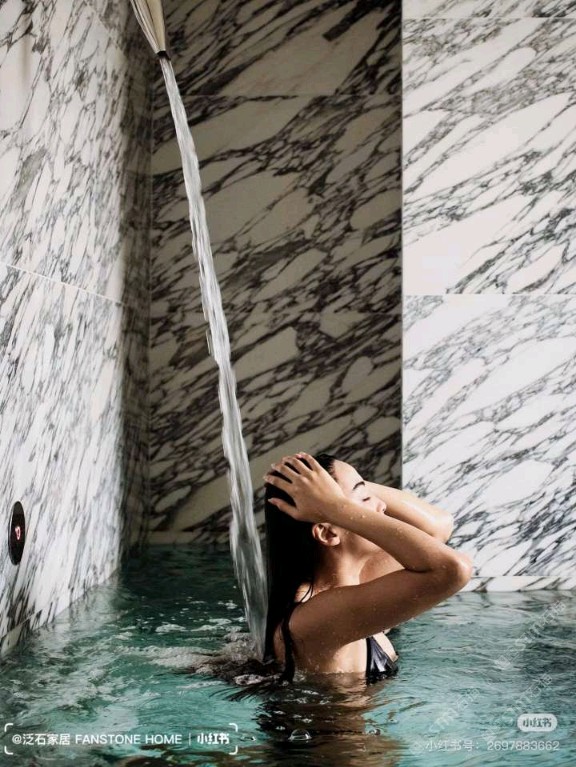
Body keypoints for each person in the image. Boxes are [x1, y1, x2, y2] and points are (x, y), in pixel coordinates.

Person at [262, 451, 474, 684]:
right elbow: (453, 569)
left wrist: (330, 491)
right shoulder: (313, 618)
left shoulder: (356, 578)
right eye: (365, 499)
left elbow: (438, 527)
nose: (382, 506)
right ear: (328, 533)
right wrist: (335, 506)